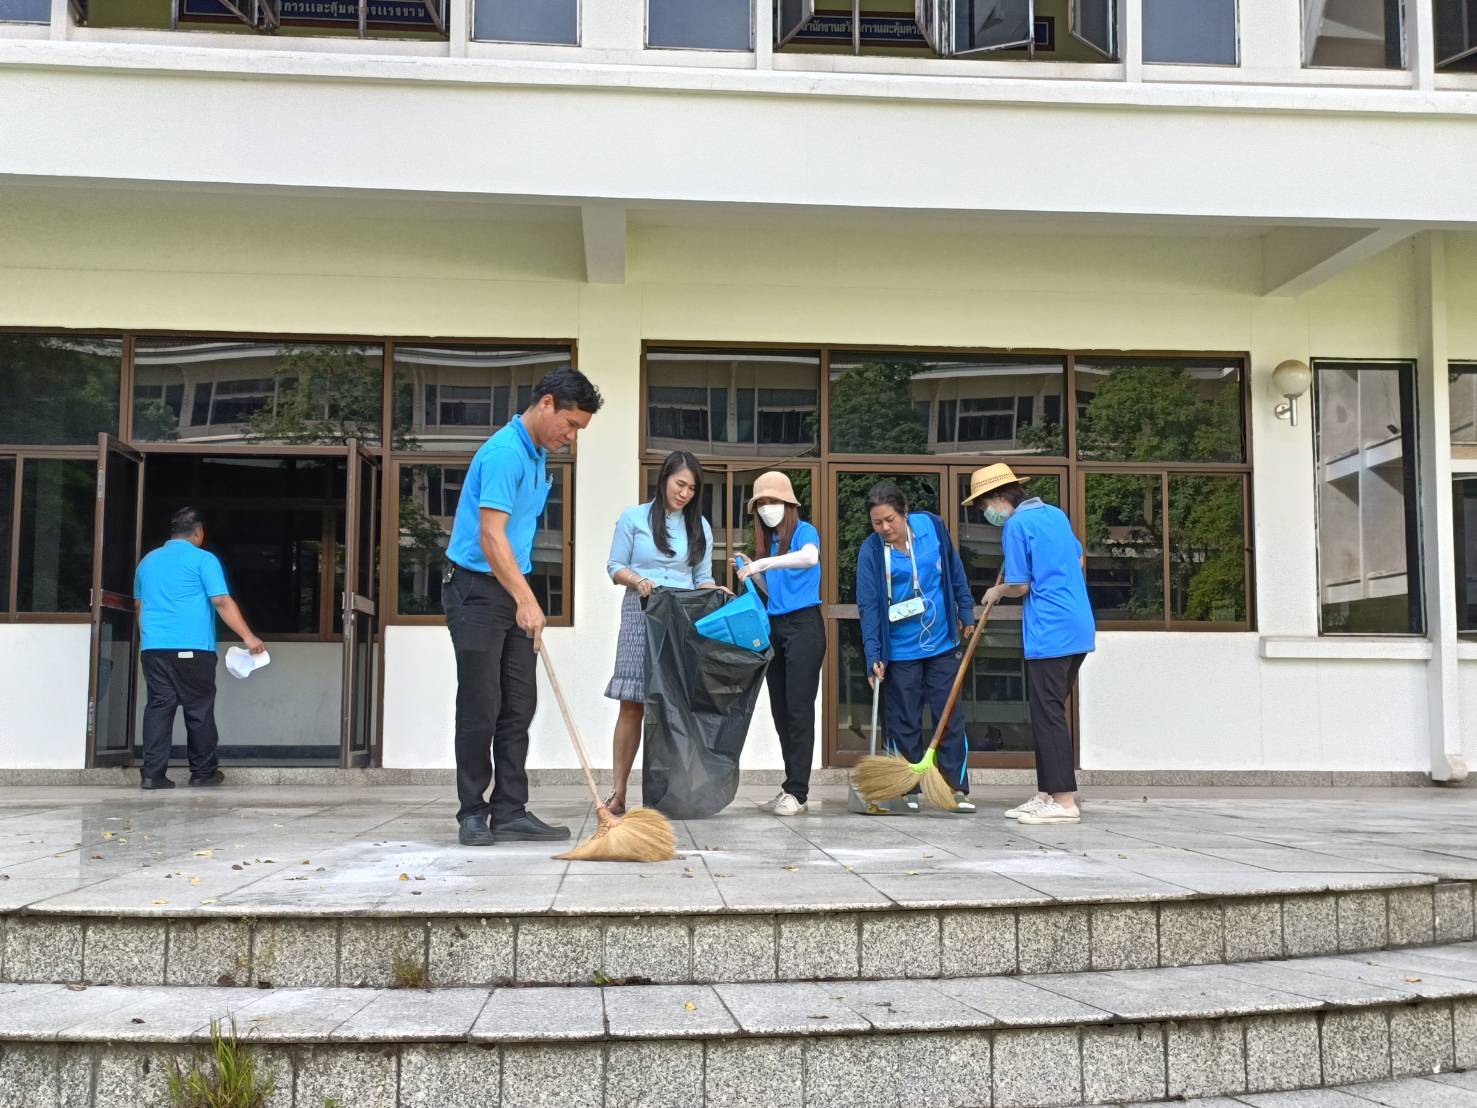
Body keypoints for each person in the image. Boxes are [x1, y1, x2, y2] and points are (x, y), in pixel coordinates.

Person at [444, 367, 603, 846]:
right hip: (476, 588)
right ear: (548, 403)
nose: (571, 437)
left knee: (519, 703)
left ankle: (510, 809)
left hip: (512, 587)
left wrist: (523, 595)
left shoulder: (537, 457)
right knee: (481, 702)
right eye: (571, 425)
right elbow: (491, 536)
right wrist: (526, 598)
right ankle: (472, 811)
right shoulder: (505, 453)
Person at [965, 462, 1095, 826]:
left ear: (997, 497)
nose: (984, 512)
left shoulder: (1017, 525)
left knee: (1046, 713)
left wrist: (996, 590)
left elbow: (1020, 585)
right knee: (1049, 709)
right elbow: (1080, 558)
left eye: (982, 505)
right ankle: (1047, 794)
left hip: (1051, 630)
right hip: (1078, 625)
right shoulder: (1054, 514)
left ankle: (1064, 801)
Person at [603, 450, 727, 815]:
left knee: (676, 706)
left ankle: (675, 794)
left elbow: (700, 578)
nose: (685, 493)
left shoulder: (699, 526)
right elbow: (614, 567)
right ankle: (619, 793)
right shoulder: (634, 517)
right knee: (633, 703)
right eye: (680, 484)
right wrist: (638, 580)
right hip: (642, 611)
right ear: (664, 478)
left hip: (681, 617)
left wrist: (716, 591)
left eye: (692, 488)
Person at [856, 483, 977, 812]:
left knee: (948, 717)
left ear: (904, 512)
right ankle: (908, 787)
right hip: (901, 650)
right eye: (877, 523)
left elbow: (955, 572)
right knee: (903, 720)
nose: (884, 528)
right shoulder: (870, 552)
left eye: (890, 520)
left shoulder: (933, 527)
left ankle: (956, 788)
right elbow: (868, 607)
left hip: (942, 643)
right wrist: (873, 656)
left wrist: (966, 611)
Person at [134, 507, 265, 791]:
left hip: (154, 648)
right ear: (198, 532)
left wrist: (149, 639)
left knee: (159, 707)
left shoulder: (148, 562)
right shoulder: (203, 559)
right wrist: (248, 637)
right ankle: (203, 772)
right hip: (192, 647)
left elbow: (140, 606)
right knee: (198, 708)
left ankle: (152, 775)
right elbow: (220, 601)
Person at [735, 472, 824, 816]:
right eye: (761, 504)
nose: (768, 509)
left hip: (805, 626)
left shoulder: (804, 532)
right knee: (781, 711)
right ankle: (791, 786)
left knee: (800, 710)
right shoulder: (770, 543)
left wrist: (765, 562)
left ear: (788, 505)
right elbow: (776, 593)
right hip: (777, 625)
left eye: (773, 502)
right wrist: (751, 571)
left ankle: (799, 792)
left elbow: (810, 558)